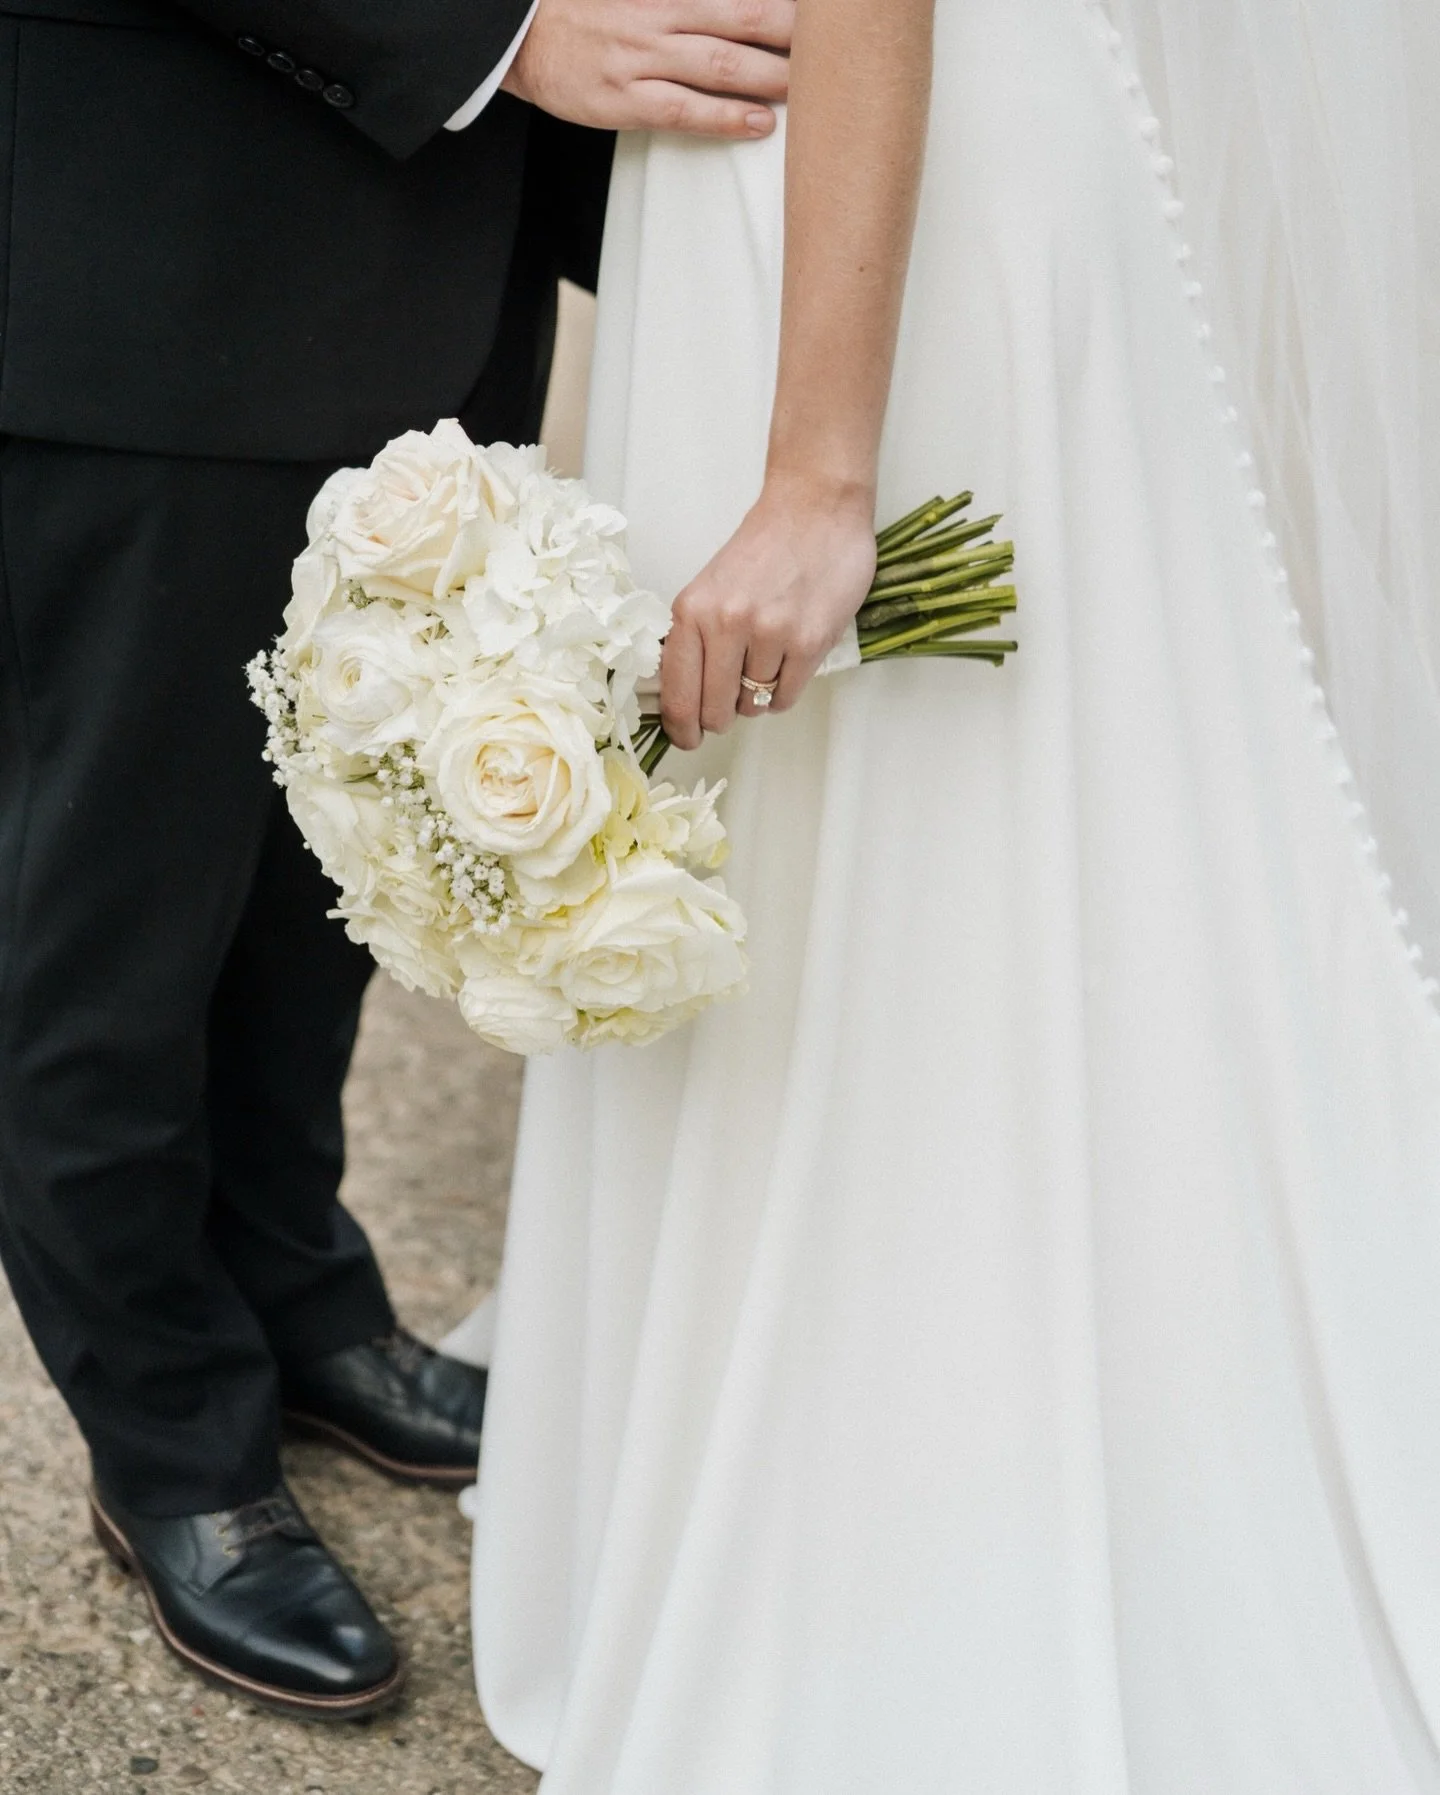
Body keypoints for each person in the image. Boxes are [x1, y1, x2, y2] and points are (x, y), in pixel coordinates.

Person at [471, 0, 1440, 1785]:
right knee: (894, 875)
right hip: (808, 159)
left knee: (920, 867)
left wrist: (821, 475)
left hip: (857, 208)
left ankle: (919, 1499)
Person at [0, 0, 794, 1721]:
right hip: (165, 253)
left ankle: (293, 1291)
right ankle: (168, 1430)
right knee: (111, 924)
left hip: (433, 253)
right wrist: (492, 33)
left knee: (333, 867)